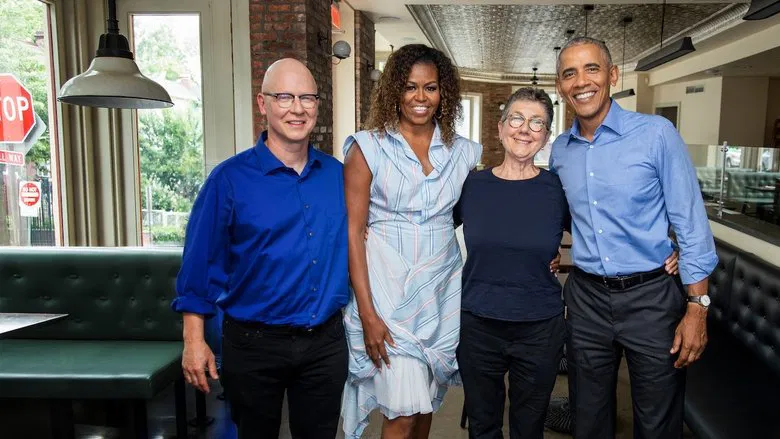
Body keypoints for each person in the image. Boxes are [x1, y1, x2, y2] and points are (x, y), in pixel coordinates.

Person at [455, 87, 679, 439]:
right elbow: (430, 232)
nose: (524, 129)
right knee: (483, 424)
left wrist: (665, 247)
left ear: (546, 136)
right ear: (500, 128)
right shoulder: (470, 186)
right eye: (516, 118)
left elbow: (600, 230)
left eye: (537, 123)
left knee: (529, 426)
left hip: (539, 329)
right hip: (478, 325)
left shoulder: (557, 189)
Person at [172, 58, 349, 439]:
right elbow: (199, 265)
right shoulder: (229, 180)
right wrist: (193, 340)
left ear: (318, 105)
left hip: (325, 343)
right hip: (254, 345)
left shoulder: (339, 176)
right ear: (262, 103)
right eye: (284, 97)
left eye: (307, 97)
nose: (297, 108)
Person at [551, 37, 718, 439]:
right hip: (587, 300)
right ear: (560, 86)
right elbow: (575, 218)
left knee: (657, 421)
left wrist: (697, 307)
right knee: (588, 418)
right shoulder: (560, 150)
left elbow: (691, 223)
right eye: (569, 73)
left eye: (591, 69)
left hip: (652, 299)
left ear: (612, 76)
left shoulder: (656, 134)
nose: (581, 81)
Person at [340, 44, 482, 439]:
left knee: (423, 408)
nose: (420, 98)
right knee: (402, 414)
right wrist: (368, 314)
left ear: (444, 93)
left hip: (439, 289)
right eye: (410, 87)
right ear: (393, 91)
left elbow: (480, 215)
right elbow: (353, 231)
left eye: (430, 88)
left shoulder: (463, 153)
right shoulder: (368, 148)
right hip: (386, 291)